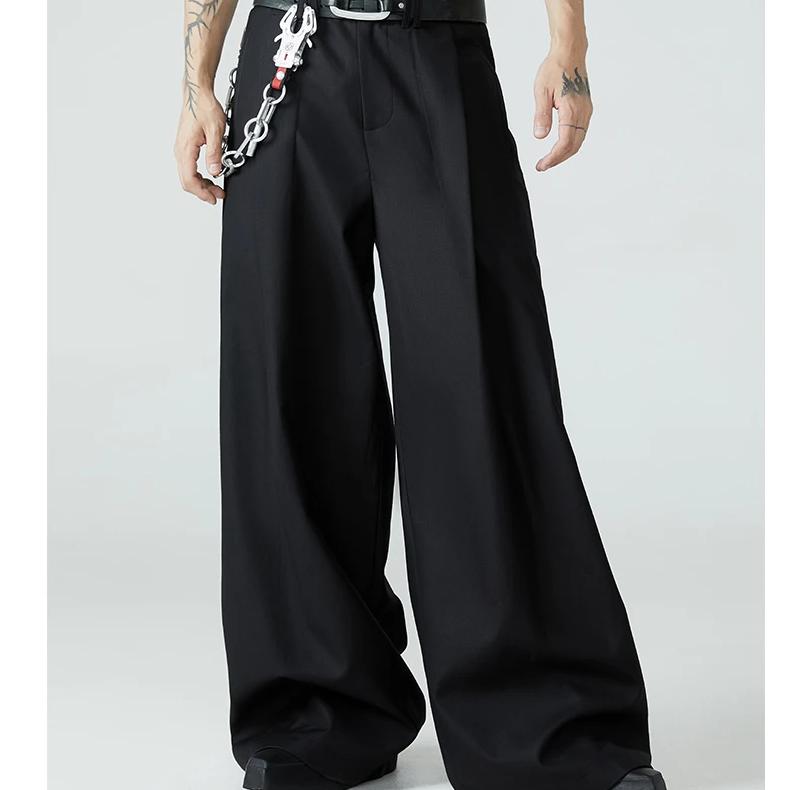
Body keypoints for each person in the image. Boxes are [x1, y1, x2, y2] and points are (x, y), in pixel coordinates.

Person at [174, 2, 667, 789]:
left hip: (436, 37)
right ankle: (316, 714)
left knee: (479, 379)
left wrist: (567, 46)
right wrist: (197, 80)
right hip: (287, 55)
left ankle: (542, 726)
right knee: (292, 384)